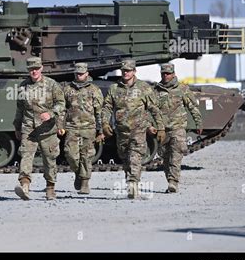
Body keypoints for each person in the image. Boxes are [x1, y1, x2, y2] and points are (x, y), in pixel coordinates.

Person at [101, 59, 165, 199]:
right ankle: (129, 179)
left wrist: (160, 128)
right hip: (121, 131)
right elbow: (106, 108)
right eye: (124, 70)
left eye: (128, 71)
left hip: (138, 130)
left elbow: (154, 109)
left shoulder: (143, 88)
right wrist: (105, 124)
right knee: (124, 157)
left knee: (135, 156)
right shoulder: (114, 88)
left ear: (134, 71)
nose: (125, 73)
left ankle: (133, 184)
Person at [13, 57, 65, 200]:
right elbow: (19, 109)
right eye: (31, 69)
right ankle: (24, 186)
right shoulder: (23, 86)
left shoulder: (52, 85)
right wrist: (17, 126)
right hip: (29, 128)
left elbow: (61, 103)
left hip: (47, 129)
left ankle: (50, 187)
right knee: (26, 156)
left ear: (41, 68)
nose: (34, 71)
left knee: (50, 159)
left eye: (36, 68)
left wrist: (51, 113)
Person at [151, 63, 203, 193]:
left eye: (168, 74)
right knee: (165, 157)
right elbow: (149, 110)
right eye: (163, 74)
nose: (165, 76)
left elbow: (193, 107)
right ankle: (170, 178)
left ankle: (173, 183)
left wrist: (198, 123)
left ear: (173, 74)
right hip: (162, 130)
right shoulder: (156, 91)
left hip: (178, 128)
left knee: (176, 154)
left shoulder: (182, 89)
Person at [63, 62, 104, 194]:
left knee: (86, 155)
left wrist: (101, 130)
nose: (79, 75)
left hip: (89, 127)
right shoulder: (68, 89)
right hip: (71, 127)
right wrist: (60, 125)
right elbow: (62, 108)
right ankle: (77, 172)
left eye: (81, 73)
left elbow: (99, 111)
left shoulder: (94, 89)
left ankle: (85, 182)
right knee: (70, 154)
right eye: (77, 73)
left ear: (87, 74)